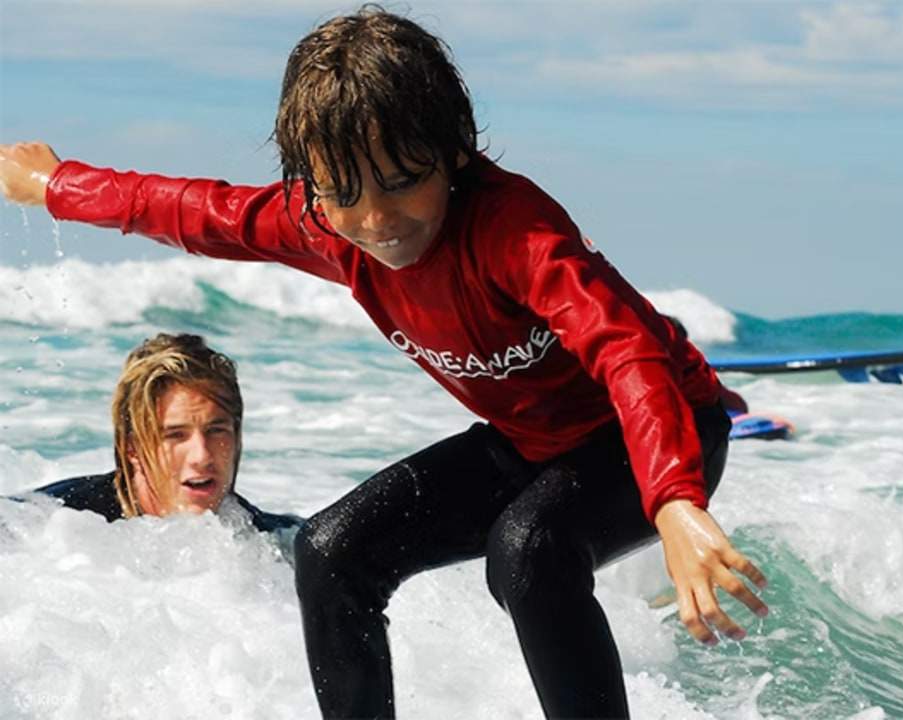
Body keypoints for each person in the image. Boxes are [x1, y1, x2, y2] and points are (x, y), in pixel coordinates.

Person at [0, 7, 767, 717]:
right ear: (310, 183)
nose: (377, 221)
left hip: (658, 435)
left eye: (403, 182)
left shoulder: (514, 230)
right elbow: (191, 209)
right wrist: (53, 184)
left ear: (455, 150)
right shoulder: (320, 224)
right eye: (343, 192)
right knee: (333, 552)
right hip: (533, 443)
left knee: (526, 553)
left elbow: (625, 350)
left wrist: (672, 499)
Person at [18, 333, 299, 537]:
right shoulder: (56, 523)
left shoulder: (272, 542)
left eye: (216, 431)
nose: (202, 455)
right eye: (175, 435)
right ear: (132, 448)